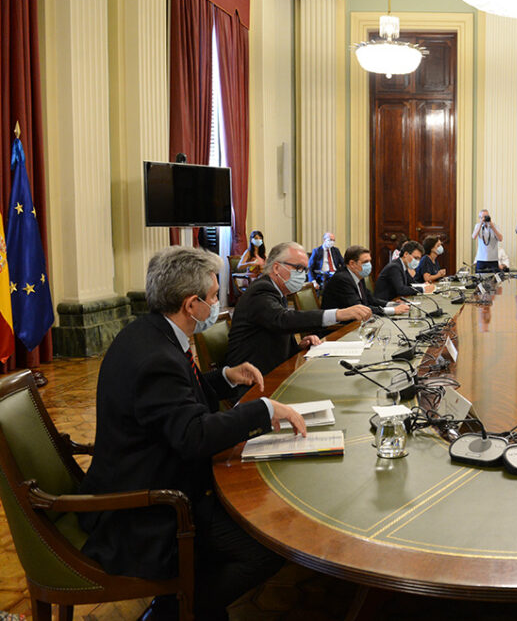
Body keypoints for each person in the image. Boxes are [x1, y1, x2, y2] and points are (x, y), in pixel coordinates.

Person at [78, 246, 308, 621]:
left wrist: (225, 377)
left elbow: (178, 400)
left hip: (150, 473)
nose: (218, 304)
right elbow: (193, 435)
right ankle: (179, 610)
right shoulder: (156, 358)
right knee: (267, 548)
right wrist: (263, 410)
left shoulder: (150, 332)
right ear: (191, 304)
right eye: (214, 297)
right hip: (148, 509)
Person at [226, 242, 373, 376]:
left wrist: (299, 346)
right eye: (298, 268)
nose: (302, 274)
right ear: (276, 268)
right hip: (250, 377)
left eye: (305, 269)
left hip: (271, 369)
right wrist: (338, 314)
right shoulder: (261, 290)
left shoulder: (278, 292)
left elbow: (274, 331)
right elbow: (282, 320)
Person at [323, 245, 411, 317]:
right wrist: (393, 310)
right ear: (352, 264)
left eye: (369, 261)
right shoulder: (342, 279)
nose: (369, 265)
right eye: (365, 262)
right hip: (340, 327)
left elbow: (371, 300)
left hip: (357, 320)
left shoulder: (358, 275)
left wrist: (393, 304)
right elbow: (360, 309)